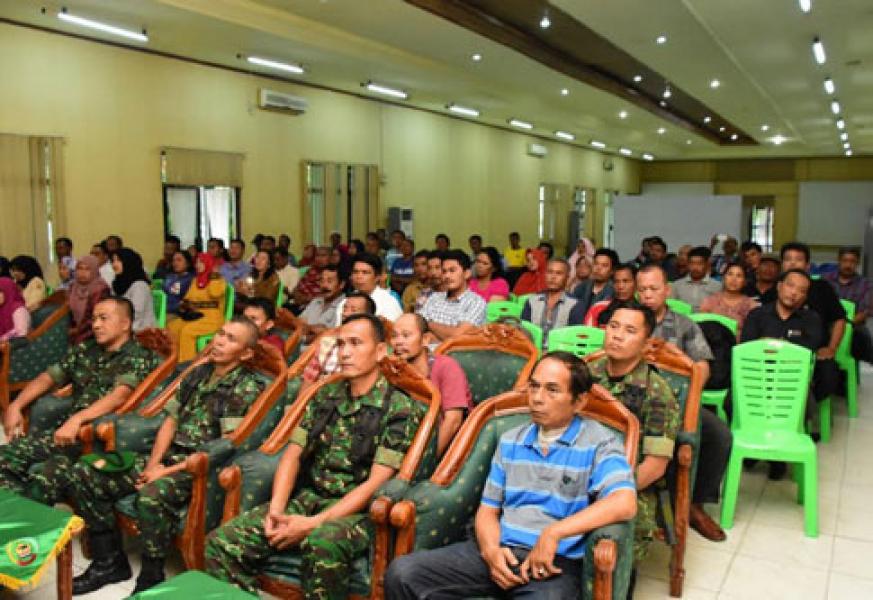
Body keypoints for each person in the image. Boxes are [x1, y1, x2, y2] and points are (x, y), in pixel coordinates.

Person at [205, 314, 427, 598]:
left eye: (356, 344)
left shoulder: (399, 407)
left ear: (380, 351)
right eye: (341, 344)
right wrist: (277, 509)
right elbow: (292, 455)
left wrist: (311, 525)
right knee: (221, 543)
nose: (345, 353)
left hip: (356, 514)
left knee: (321, 543)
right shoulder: (326, 393)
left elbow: (374, 483)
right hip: (310, 498)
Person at [384, 352, 637, 599]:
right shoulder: (511, 440)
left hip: (553, 563)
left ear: (579, 401)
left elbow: (624, 502)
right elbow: (488, 510)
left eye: (552, 390)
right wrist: (491, 551)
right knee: (402, 572)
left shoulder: (600, 442)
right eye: (534, 387)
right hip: (501, 549)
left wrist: (554, 533)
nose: (537, 398)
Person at [61, 318, 266, 594]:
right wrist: (155, 463)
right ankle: (108, 561)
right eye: (220, 333)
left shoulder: (246, 386)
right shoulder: (198, 372)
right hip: (167, 458)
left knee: (152, 495)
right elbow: (170, 421)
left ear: (246, 353)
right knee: (85, 473)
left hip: (196, 468)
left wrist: (164, 472)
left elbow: (223, 446)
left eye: (230, 339)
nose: (218, 341)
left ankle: (151, 576)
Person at [0, 298, 161, 498]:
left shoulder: (138, 355)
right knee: (6, 455)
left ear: (125, 324)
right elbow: (48, 377)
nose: (96, 325)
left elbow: (120, 396)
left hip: (99, 441)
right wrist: (15, 405)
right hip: (65, 435)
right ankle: (16, 514)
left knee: (45, 478)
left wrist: (77, 419)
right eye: (93, 319)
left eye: (103, 318)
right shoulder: (87, 349)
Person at [636, 264, 733, 542]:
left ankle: (694, 504)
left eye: (654, 289)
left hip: (678, 403)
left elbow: (702, 366)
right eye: (642, 289)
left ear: (667, 290)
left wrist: (690, 400)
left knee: (719, 436)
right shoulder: (629, 320)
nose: (647, 295)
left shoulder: (684, 324)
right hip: (634, 403)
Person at [586, 302, 678, 573]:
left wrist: (604, 493)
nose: (616, 335)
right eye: (613, 327)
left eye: (629, 330)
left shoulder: (657, 392)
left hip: (628, 483)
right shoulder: (586, 375)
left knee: (610, 548)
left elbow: (654, 466)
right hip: (577, 470)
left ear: (646, 342)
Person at [741, 269, 823, 477]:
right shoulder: (757, 314)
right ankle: (756, 445)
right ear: (779, 286)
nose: (794, 293)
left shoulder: (811, 319)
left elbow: (810, 347)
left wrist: (770, 345)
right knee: (735, 402)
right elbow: (747, 346)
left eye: (801, 290)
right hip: (756, 379)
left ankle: (776, 456)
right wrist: (785, 347)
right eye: (790, 285)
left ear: (805, 296)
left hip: (791, 384)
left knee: (796, 407)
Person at [391, 313, 472, 455]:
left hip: (441, 449)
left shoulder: (446, 366)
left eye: (406, 335)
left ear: (425, 339)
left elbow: (452, 422)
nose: (398, 342)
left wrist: (425, 461)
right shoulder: (393, 368)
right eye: (395, 336)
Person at [781, 242, 844, 408]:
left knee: (829, 376)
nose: (793, 263)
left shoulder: (822, 288)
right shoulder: (776, 289)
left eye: (798, 259)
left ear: (807, 265)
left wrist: (831, 348)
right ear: (782, 264)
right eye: (788, 259)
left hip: (816, 351)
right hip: (780, 351)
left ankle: (805, 409)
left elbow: (839, 319)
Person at [167, 253, 227, 362]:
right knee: (172, 326)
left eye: (201, 262)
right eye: (197, 262)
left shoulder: (218, 279)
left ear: (208, 264)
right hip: (196, 315)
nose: (197, 265)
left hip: (212, 318)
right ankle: (173, 361)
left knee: (187, 331)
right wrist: (184, 304)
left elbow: (215, 293)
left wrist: (214, 275)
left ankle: (186, 365)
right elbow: (189, 297)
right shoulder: (196, 280)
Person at [420, 249, 486, 341]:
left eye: (452, 270)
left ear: (467, 274)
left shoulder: (476, 302)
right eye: (444, 271)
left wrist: (429, 324)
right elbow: (418, 326)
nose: (447, 276)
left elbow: (458, 337)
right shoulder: (434, 297)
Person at [824, 246, 873, 362]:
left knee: (862, 336)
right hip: (827, 323)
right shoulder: (825, 280)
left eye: (852, 262)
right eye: (845, 261)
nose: (848, 265)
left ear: (857, 263)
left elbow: (865, 311)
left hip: (853, 325)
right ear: (839, 261)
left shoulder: (866, 285)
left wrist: (845, 324)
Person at [521, 259, 586, 346]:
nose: (553, 277)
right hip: (532, 351)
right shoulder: (532, 301)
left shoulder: (575, 305)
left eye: (559, 273)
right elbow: (523, 332)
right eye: (550, 272)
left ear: (567, 278)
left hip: (560, 355)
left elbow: (574, 338)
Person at [337, 253, 403, 321]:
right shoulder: (345, 301)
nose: (359, 277)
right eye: (355, 272)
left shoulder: (388, 302)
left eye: (365, 272)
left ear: (377, 277)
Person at [699, 263, 759, 334]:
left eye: (739, 276)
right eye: (730, 274)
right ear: (723, 278)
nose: (733, 279)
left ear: (744, 282)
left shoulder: (752, 306)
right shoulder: (709, 302)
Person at [67, 256, 110, 344]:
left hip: (94, 333)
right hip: (75, 332)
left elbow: (95, 317)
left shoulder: (100, 289)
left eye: (87, 269)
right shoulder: (73, 287)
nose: (82, 273)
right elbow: (69, 314)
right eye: (80, 268)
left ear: (94, 271)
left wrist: (76, 331)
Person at [111, 248, 156, 332]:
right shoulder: (117, 284)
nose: (114, 264)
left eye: (118, 260)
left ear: (129, 262)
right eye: (113, 261)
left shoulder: (140, 286)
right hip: (121, 327)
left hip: (140, 331)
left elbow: (136, 315)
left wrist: (119, 331)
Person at [299, 265, 346, 343]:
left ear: (341, 284)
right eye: (322, 281)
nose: (324, 285)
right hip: (302, 347)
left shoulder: (346, 305)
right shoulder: (315, 302)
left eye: (329, 281)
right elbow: (299, 323)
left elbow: (333, 335)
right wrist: (314, 329)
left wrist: (308, 331)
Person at [670, 246, 722, 311]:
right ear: (688, 264)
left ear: (706, 265)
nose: (695, 267)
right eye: (692, 263)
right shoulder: (677, 285)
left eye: (699, 264)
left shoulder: (717, 286)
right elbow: (671, 308)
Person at [571, 248, 617, 317]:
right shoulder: (581, 287)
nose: (598, 268)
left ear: (612, 271)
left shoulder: (615, 291)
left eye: (604, 265)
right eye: (596, 263)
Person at [290, 246, 329, 311]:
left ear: (330, 258)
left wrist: (306, 299)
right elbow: (296, 288)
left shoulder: (331, 274)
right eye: (317, 255)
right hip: (300, 305)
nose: (319, 258)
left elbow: (326, 295)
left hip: (318, 309)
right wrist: (298, 296)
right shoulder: (310, 270)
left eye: (323, 255)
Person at [162, 251, 195, 318]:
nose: (175, 263)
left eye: (179, 260)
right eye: (173, 260)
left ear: (188, 263)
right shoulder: (169, 277)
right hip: (162, 310)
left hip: (177, 314)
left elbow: (186, 303)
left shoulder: (191, 280)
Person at [0, 277, 30, 341]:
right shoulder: (2, 310)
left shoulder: (18, 309)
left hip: (22, 347)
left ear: (8, 290)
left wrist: (2, 339)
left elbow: (22, 334)